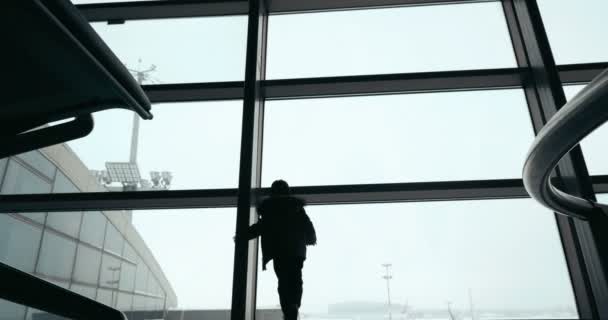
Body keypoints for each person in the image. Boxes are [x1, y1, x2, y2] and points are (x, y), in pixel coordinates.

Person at [240, 180, 316, 320]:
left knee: (283, 281)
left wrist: (242, 236)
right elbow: (307, 225)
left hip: (278, 251)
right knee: (295, 279)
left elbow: (261, 227)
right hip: (296, 251)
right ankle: (293, 306)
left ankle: (289, 309)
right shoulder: (297, 208)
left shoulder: (270, 209)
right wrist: (311, 239)